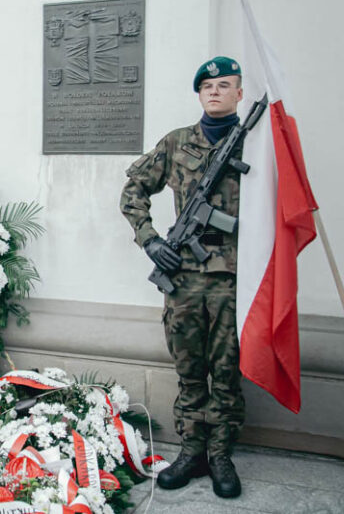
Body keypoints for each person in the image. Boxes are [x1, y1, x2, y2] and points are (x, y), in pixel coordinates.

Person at [120, 57, 245, 498]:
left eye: (224, 84)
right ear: (199, 94)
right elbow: (133, 189)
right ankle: (192, 450)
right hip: (185, 279)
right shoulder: (175, 143)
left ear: (238, 93)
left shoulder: (255, 146)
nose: (214, 91)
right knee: (190, 370)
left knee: (227, 372)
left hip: (234, 281)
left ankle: (221, 455)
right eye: (207, 85)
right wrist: (151, 240)